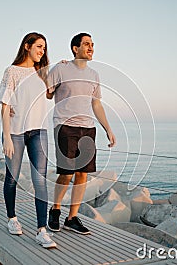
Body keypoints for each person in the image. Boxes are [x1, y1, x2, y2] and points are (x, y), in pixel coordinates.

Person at [46, 33, 116, 235]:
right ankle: (56, 210)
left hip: (88, 128)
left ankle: (72, 218)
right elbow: (49, 93)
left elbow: (96, 103)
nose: (91, 47)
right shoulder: (61, 68)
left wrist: (108, 128)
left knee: (82, 174)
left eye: (92, 44)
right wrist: (50, 73)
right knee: (66, 174)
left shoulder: (94, 74)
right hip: (65, 126)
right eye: (86, 44)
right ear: (75, 48)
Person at [0, 32, 56, 248]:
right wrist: (7, 137)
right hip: (16, 133)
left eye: (44, 48)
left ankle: (42, 230)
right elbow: (5, 106)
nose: (42, 51)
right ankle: (12, 218)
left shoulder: (42, 72)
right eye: (39, 46)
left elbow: (48, 94)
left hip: (39, 131)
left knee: (40, 180)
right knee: (12, 177)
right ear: (27, 46)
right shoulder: (11, 71)